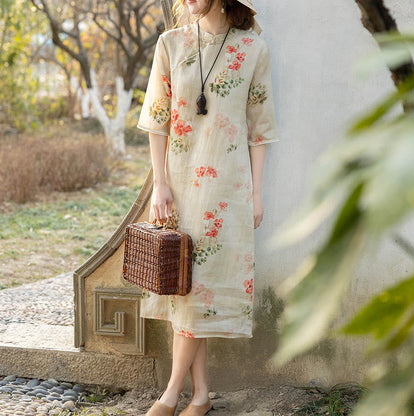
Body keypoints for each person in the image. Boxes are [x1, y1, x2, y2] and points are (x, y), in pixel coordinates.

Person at [136, 0, 279, 414]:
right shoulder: (171, 43)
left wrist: (255, 192)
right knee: (184, 290)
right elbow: (156, 119)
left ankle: (175, 394)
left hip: (226, 188)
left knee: (198, 291)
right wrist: (159, 185)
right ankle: (192, 395)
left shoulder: (253, 48)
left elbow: (260, 128)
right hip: (178, 187)